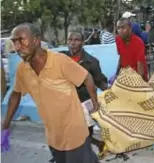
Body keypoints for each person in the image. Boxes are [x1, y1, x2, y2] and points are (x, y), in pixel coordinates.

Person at [1, 23, 99, 163]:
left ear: (36, 40)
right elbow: (16, 94)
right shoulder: (22, 69)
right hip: (53, 137)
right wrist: (5, 126)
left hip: (74, 133)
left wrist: (95, 103)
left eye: (21, 41)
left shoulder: (60, 61)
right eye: (14, 42)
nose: (17, 48)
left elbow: (87, 77)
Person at [49, 28, 107, 161]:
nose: (73, 43)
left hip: (84, 104)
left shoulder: (91, 62)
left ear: (83, 42)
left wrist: (112, 92)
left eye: (76, 40)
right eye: (70, 39)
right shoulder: (60, 58)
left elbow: (100, 82)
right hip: (65, 105)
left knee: (84, 136)